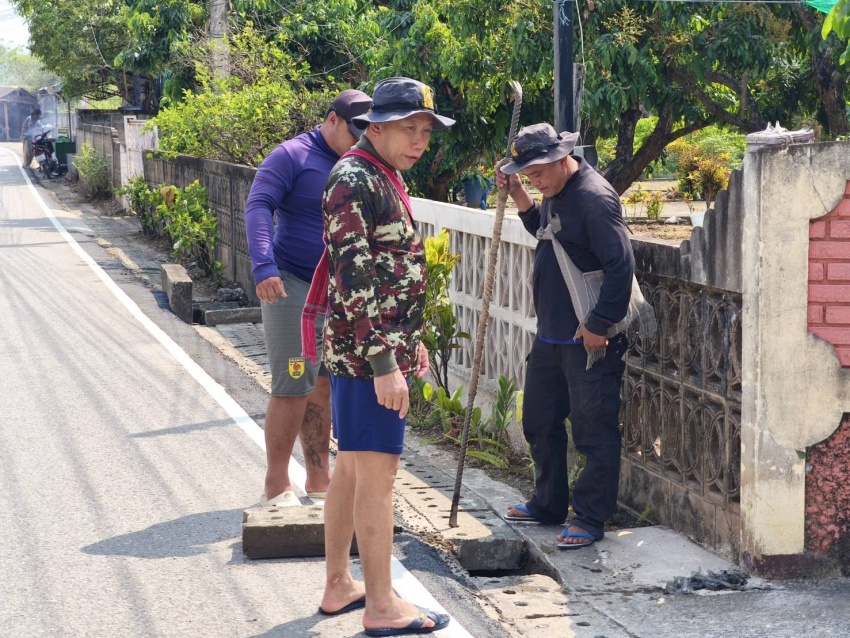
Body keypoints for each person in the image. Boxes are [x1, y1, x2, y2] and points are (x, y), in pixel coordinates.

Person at [310, 77, 454, 635]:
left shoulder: (379, 174)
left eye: (426, 132)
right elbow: (354, 278)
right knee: (379, 478)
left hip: (375, 350)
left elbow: (393, 269)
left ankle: (338, 584)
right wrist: (384, 363)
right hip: (367, 360)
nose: (420, 141)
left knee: (351, 470)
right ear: (377, 128)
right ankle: (381, 605)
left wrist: (411, 339)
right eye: (409, 129)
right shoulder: (354, 179)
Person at [496, 123, 635, 550]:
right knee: (539, 420)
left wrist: (598, 324)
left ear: (561, 159)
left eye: (537, 174)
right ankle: (548, 503)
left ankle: (590, 518)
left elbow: (621, 265)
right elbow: (547, 232)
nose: (535, 182)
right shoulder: (557, 190)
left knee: (593, 429)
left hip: (587, 336)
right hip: (552, 335)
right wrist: (519, 194)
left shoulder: (594, 198)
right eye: (529, 175)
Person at [244, 88, 372, 507]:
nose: (358, 140)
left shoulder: (361, 162)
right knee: (294, 381)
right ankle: (276, 483)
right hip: (292, 287)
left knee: (322, 383)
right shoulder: (291, 156)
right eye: (353, 131)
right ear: (332, 119)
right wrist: (264, 267)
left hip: (338, 292)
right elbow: (258, 205)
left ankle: (319, 479)